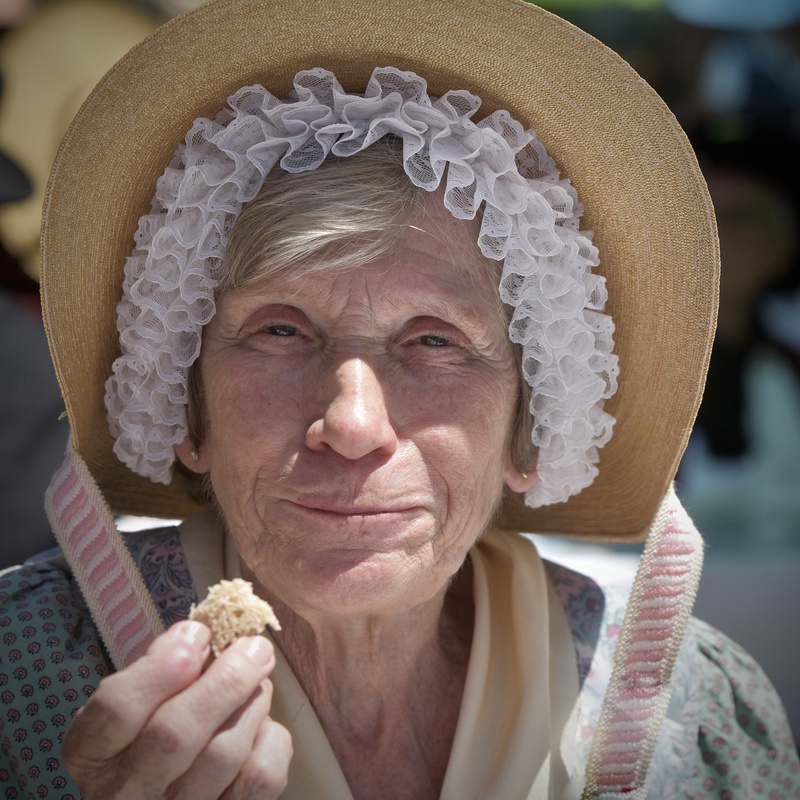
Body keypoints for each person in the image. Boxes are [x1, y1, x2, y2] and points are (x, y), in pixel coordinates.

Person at [1, 0, 798, 798]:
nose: (350, 424)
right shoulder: (26, 672)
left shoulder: (696, 725)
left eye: (435, 341)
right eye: (279, 330)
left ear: (531, 431)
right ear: (186, 408)